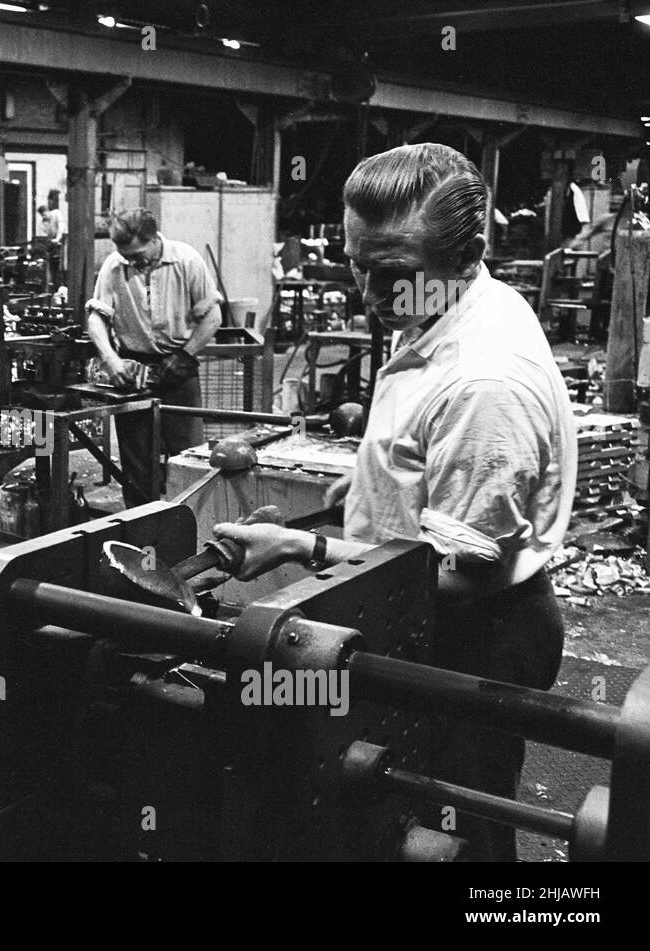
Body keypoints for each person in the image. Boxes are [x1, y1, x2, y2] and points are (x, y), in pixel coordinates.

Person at [210, 143, 577, 861]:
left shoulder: (485, 381)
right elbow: (434, 450)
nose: (371, 293)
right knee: (390, 798)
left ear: (469, 252)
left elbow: (457, 573)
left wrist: (299, 546)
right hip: (425, 611)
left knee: (457, 831)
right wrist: (380, 484)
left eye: (393, 274)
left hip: (474, 633)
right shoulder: (438, 305)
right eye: (357, 264)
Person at [85, 207, 225, 506]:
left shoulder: (186, 260)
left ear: (153, 238)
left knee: (188, 457)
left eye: (136, 254)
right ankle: (141, 529)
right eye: (124, 254)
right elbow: (97, 318)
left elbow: (212, 315)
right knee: (137, 466)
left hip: (179, 367)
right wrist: (112, 360)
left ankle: (190, 524)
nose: (129, 261)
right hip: (134, 371)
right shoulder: (114, 266)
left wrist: (185, 356)